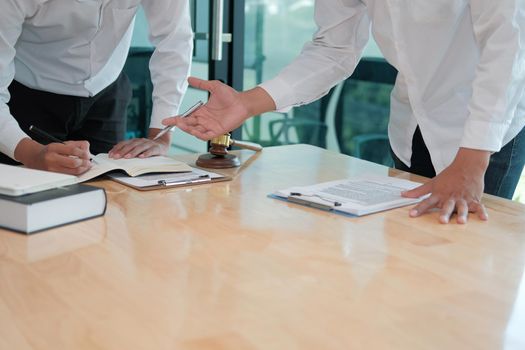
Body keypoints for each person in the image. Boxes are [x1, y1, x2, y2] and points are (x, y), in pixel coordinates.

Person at [163, 0, 525, 224]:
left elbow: (507, 46)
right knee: (408, 254)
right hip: (412, 121)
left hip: (487, 129)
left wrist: (472, 162)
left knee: (466, 262)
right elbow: (334, 48)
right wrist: (247, 102)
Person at [0, 0, 193, 175]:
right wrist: (30, 153)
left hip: (106, 92)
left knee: (113, 197)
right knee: (25, 203)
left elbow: (175, 40)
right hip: (25, 98)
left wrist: (161, 134)